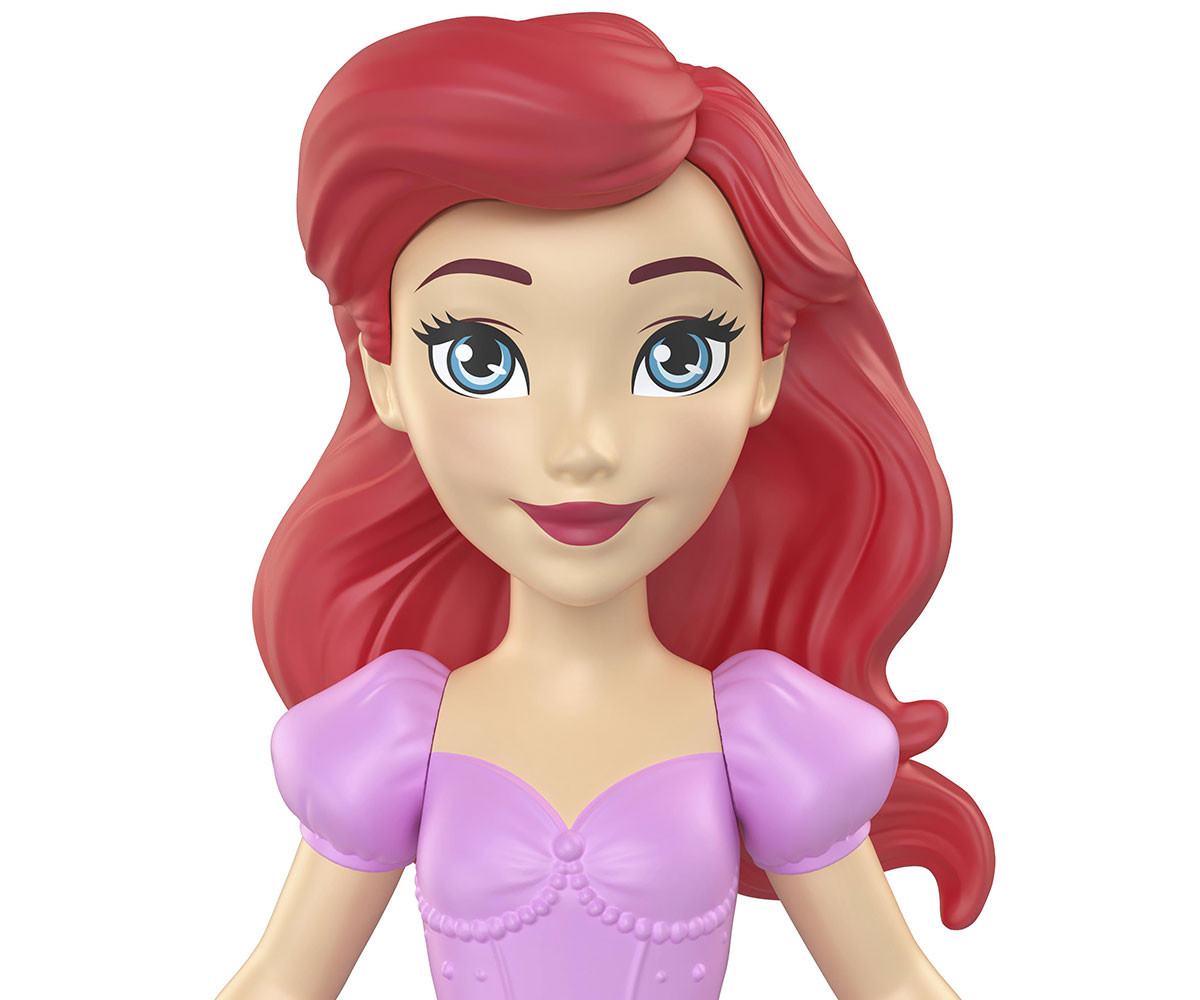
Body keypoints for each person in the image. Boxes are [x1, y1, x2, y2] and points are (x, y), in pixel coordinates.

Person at [219, 13, 993, 999]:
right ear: (387, 376)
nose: (582, 446)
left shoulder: (763, 735)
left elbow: (896, 986)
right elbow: (278, 981)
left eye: (678, 353)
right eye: (479, 356)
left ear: (764, 368)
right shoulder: (395, 738)